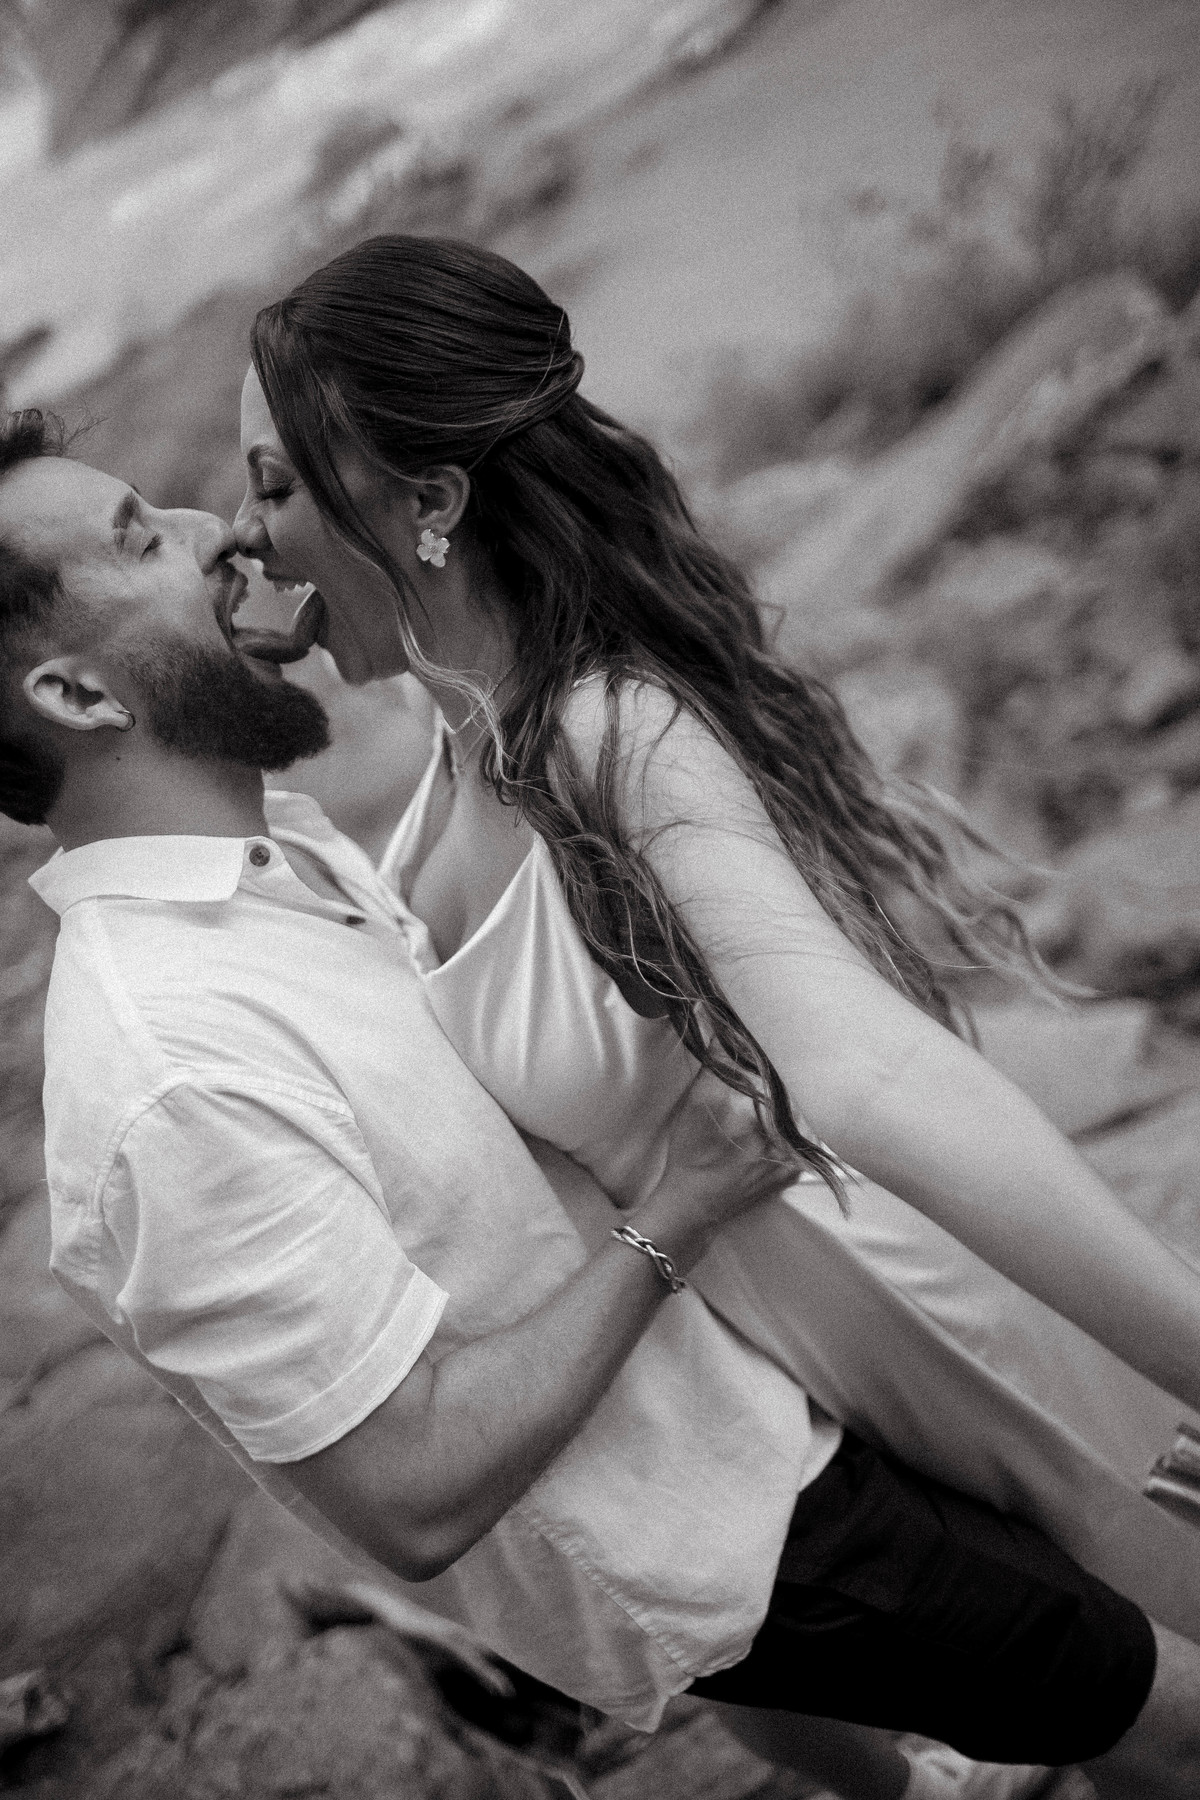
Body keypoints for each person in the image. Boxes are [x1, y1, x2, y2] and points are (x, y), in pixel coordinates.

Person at [219, 233, 1200, 1797]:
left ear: (427, 503)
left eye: (272, 488)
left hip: (935, 1326)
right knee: (1119, 1721)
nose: (237, 532)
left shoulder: (608, 732)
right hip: (804, 1370)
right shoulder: (457, 743)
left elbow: (869, 1073)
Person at [0, 411, 1078, 1800]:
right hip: (734, 1536)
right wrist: (681, 1208)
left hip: (738, 1408)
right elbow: (410, 1494)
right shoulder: (167, 1075)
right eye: (143, 541)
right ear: (78, 697)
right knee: (1164, 1709)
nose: (220, 533)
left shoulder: (264, 858)